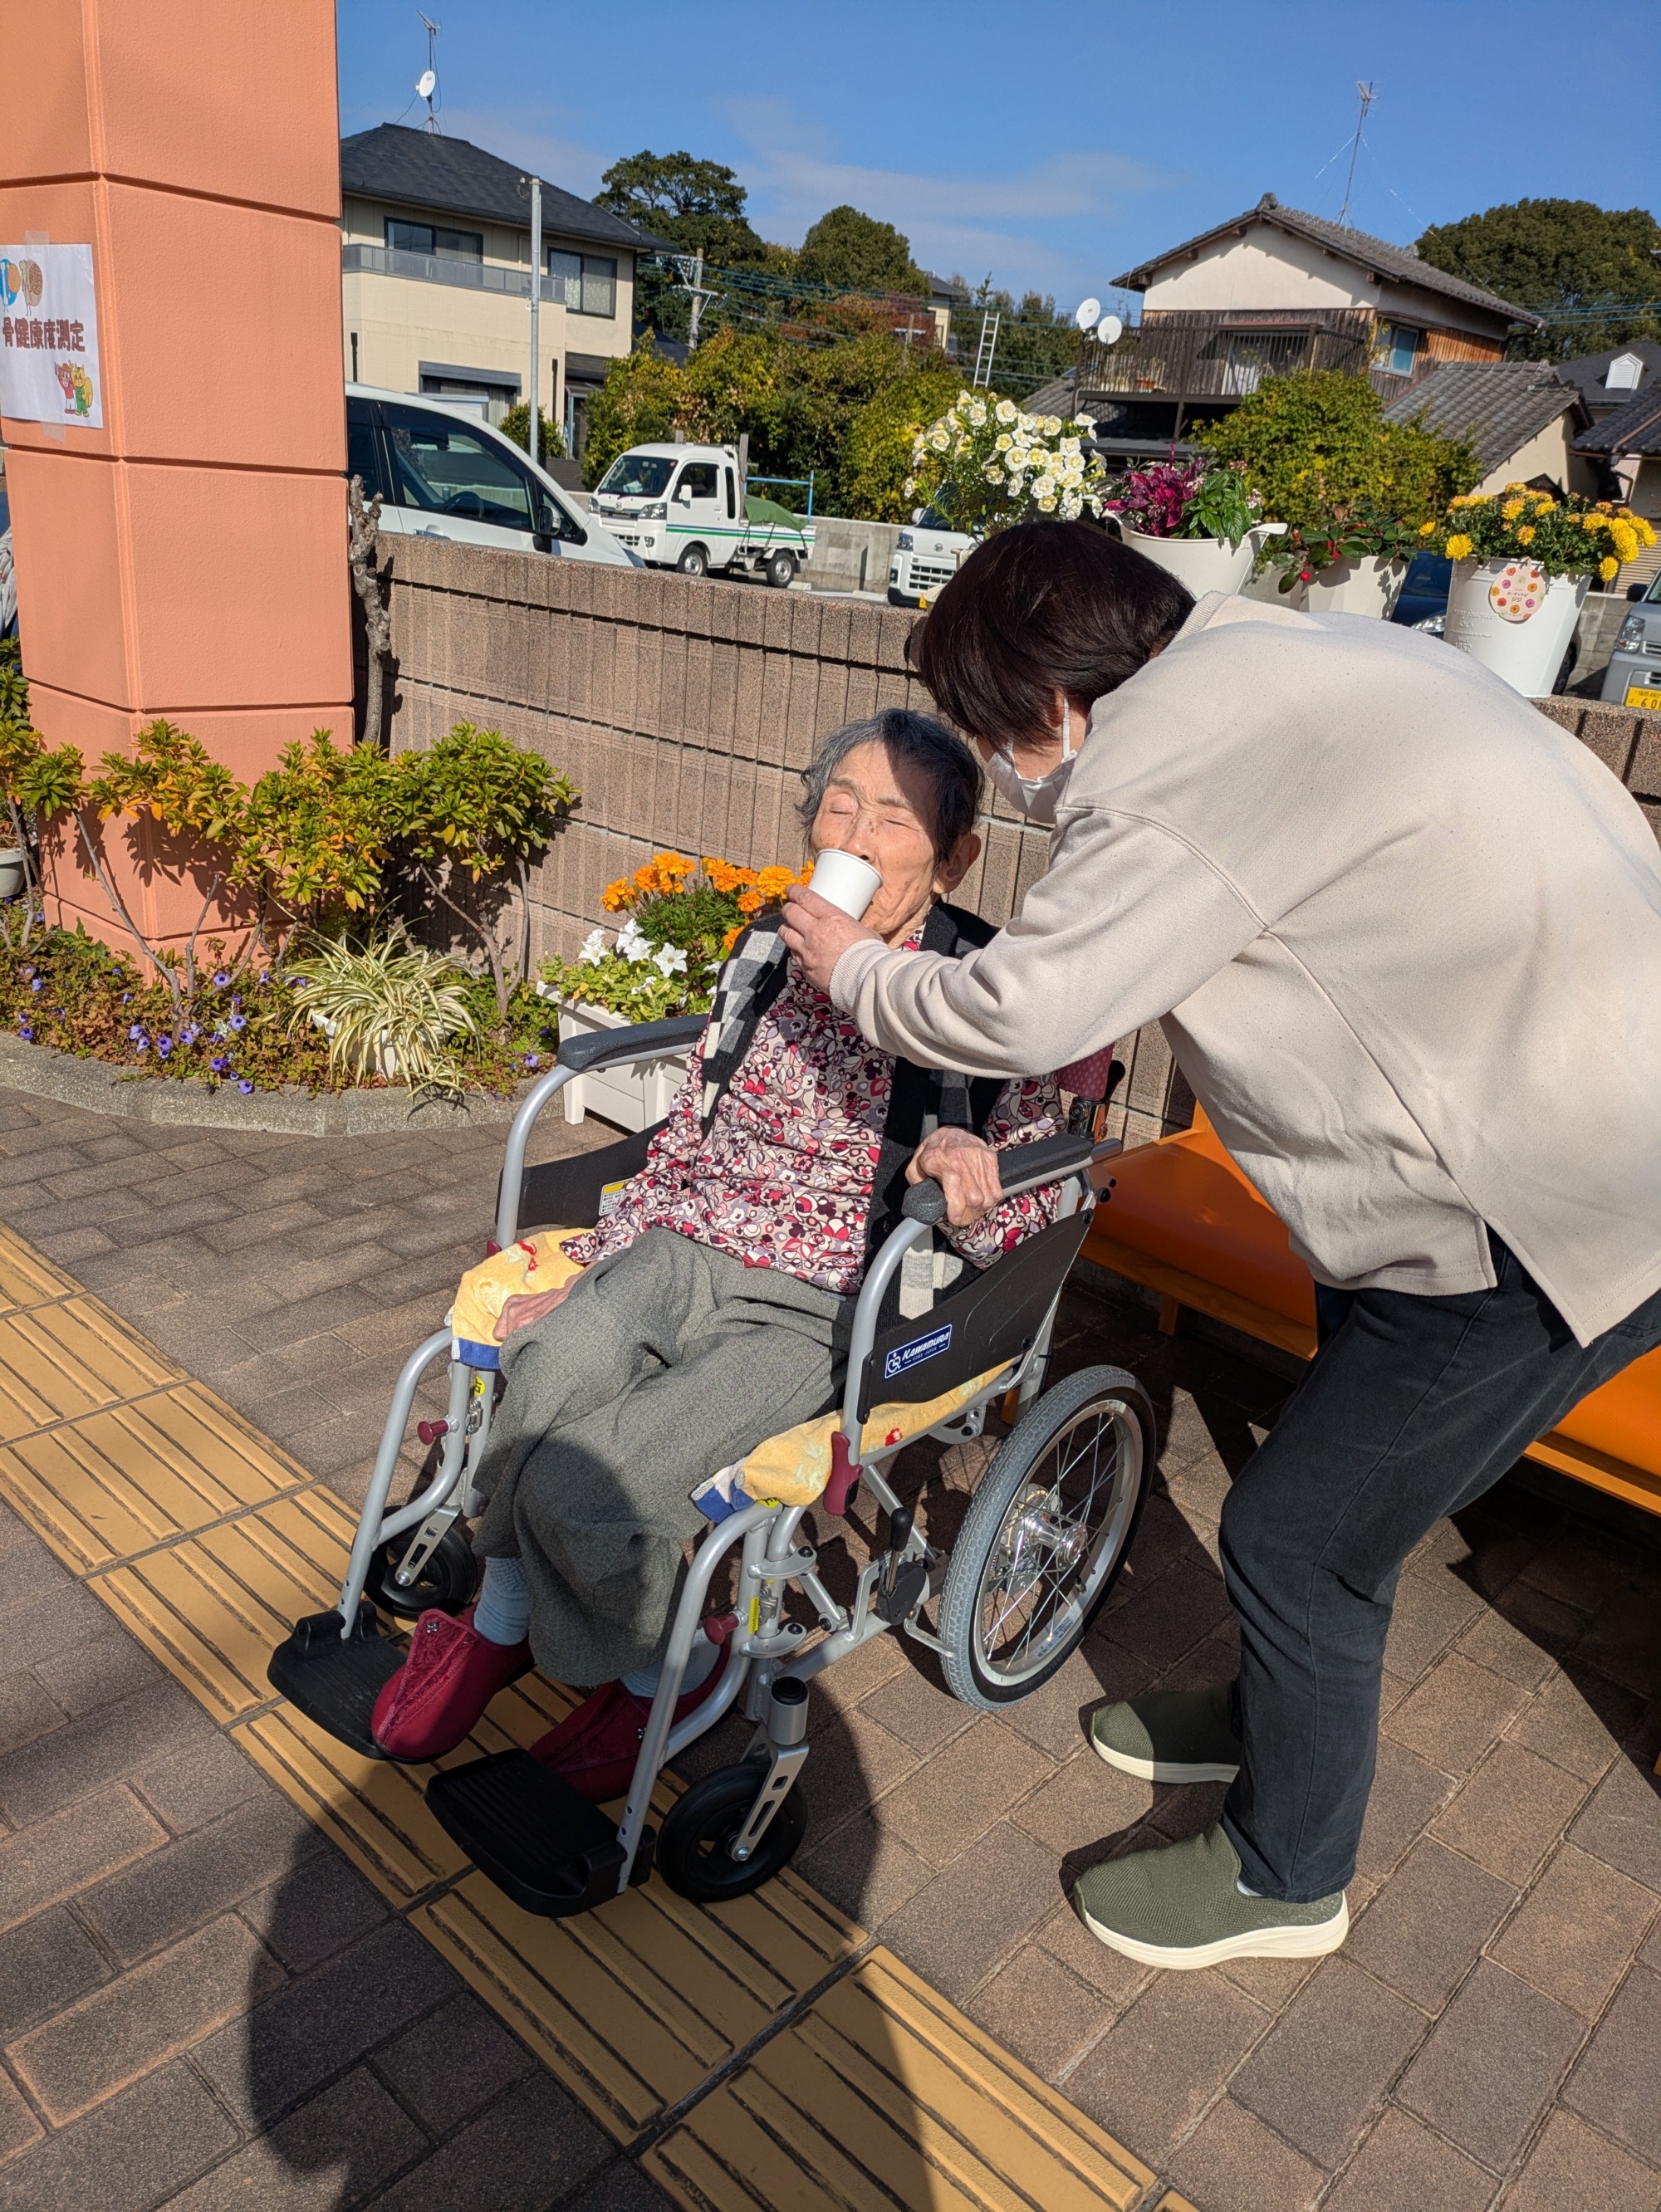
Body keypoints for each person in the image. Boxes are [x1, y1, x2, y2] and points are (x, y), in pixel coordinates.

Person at [779, 518, 1661, 1970]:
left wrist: (855, 966)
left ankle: (1286, 1873)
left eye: (999, 731)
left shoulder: (1166, 769)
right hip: (1502, 1141)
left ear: (1052, 701)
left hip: (1544, 1207)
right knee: (1331, 1481)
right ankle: (1263, 1723)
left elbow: (1023, 1010)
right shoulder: (1295, 648)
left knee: (1304, 1535)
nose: (1008, 760)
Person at [370, 709, 1066, 1795]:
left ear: (954, 854)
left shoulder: (986, 989)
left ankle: (674, 1674)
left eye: (893, 815)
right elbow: (688, 1128)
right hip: (684, 1247)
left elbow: (1040, 1196)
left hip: (822, 1299)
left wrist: (968, 1173)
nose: (856, 830)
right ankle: (502, 1628)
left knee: (582, 1492)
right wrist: (597, 1264)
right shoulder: (763, 950)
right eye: (839, 803)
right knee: (540, 1379)